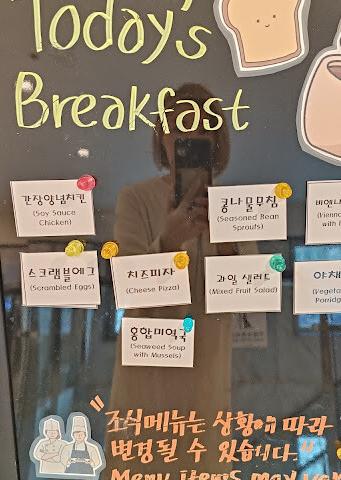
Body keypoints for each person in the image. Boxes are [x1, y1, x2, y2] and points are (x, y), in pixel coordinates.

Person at [105, 83, 257, 476]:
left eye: (202, 128)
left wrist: (224, 235)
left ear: (215, 141)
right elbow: (128, 291)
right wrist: (170, 239)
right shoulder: (134, 199)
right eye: (177, 128)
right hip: (145, 376)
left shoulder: (237, 208)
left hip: (206, 377)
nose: (188, 136)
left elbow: (248, 302)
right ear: (162, 138)